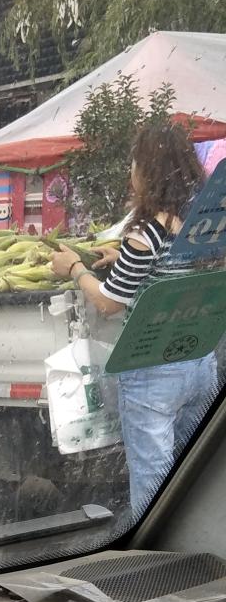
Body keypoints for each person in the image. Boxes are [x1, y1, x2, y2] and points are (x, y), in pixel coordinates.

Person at [51, 121, 220, 519]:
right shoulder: (203, 223)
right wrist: (123, 258)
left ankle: (155, 552)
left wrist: (74, 268)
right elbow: (174, 269)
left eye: (135, 163)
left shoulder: (147, 233)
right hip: (200, 362)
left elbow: (109, 302)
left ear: (148, 171)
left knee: (153, 484)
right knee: (191, 473)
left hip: (153, 370)